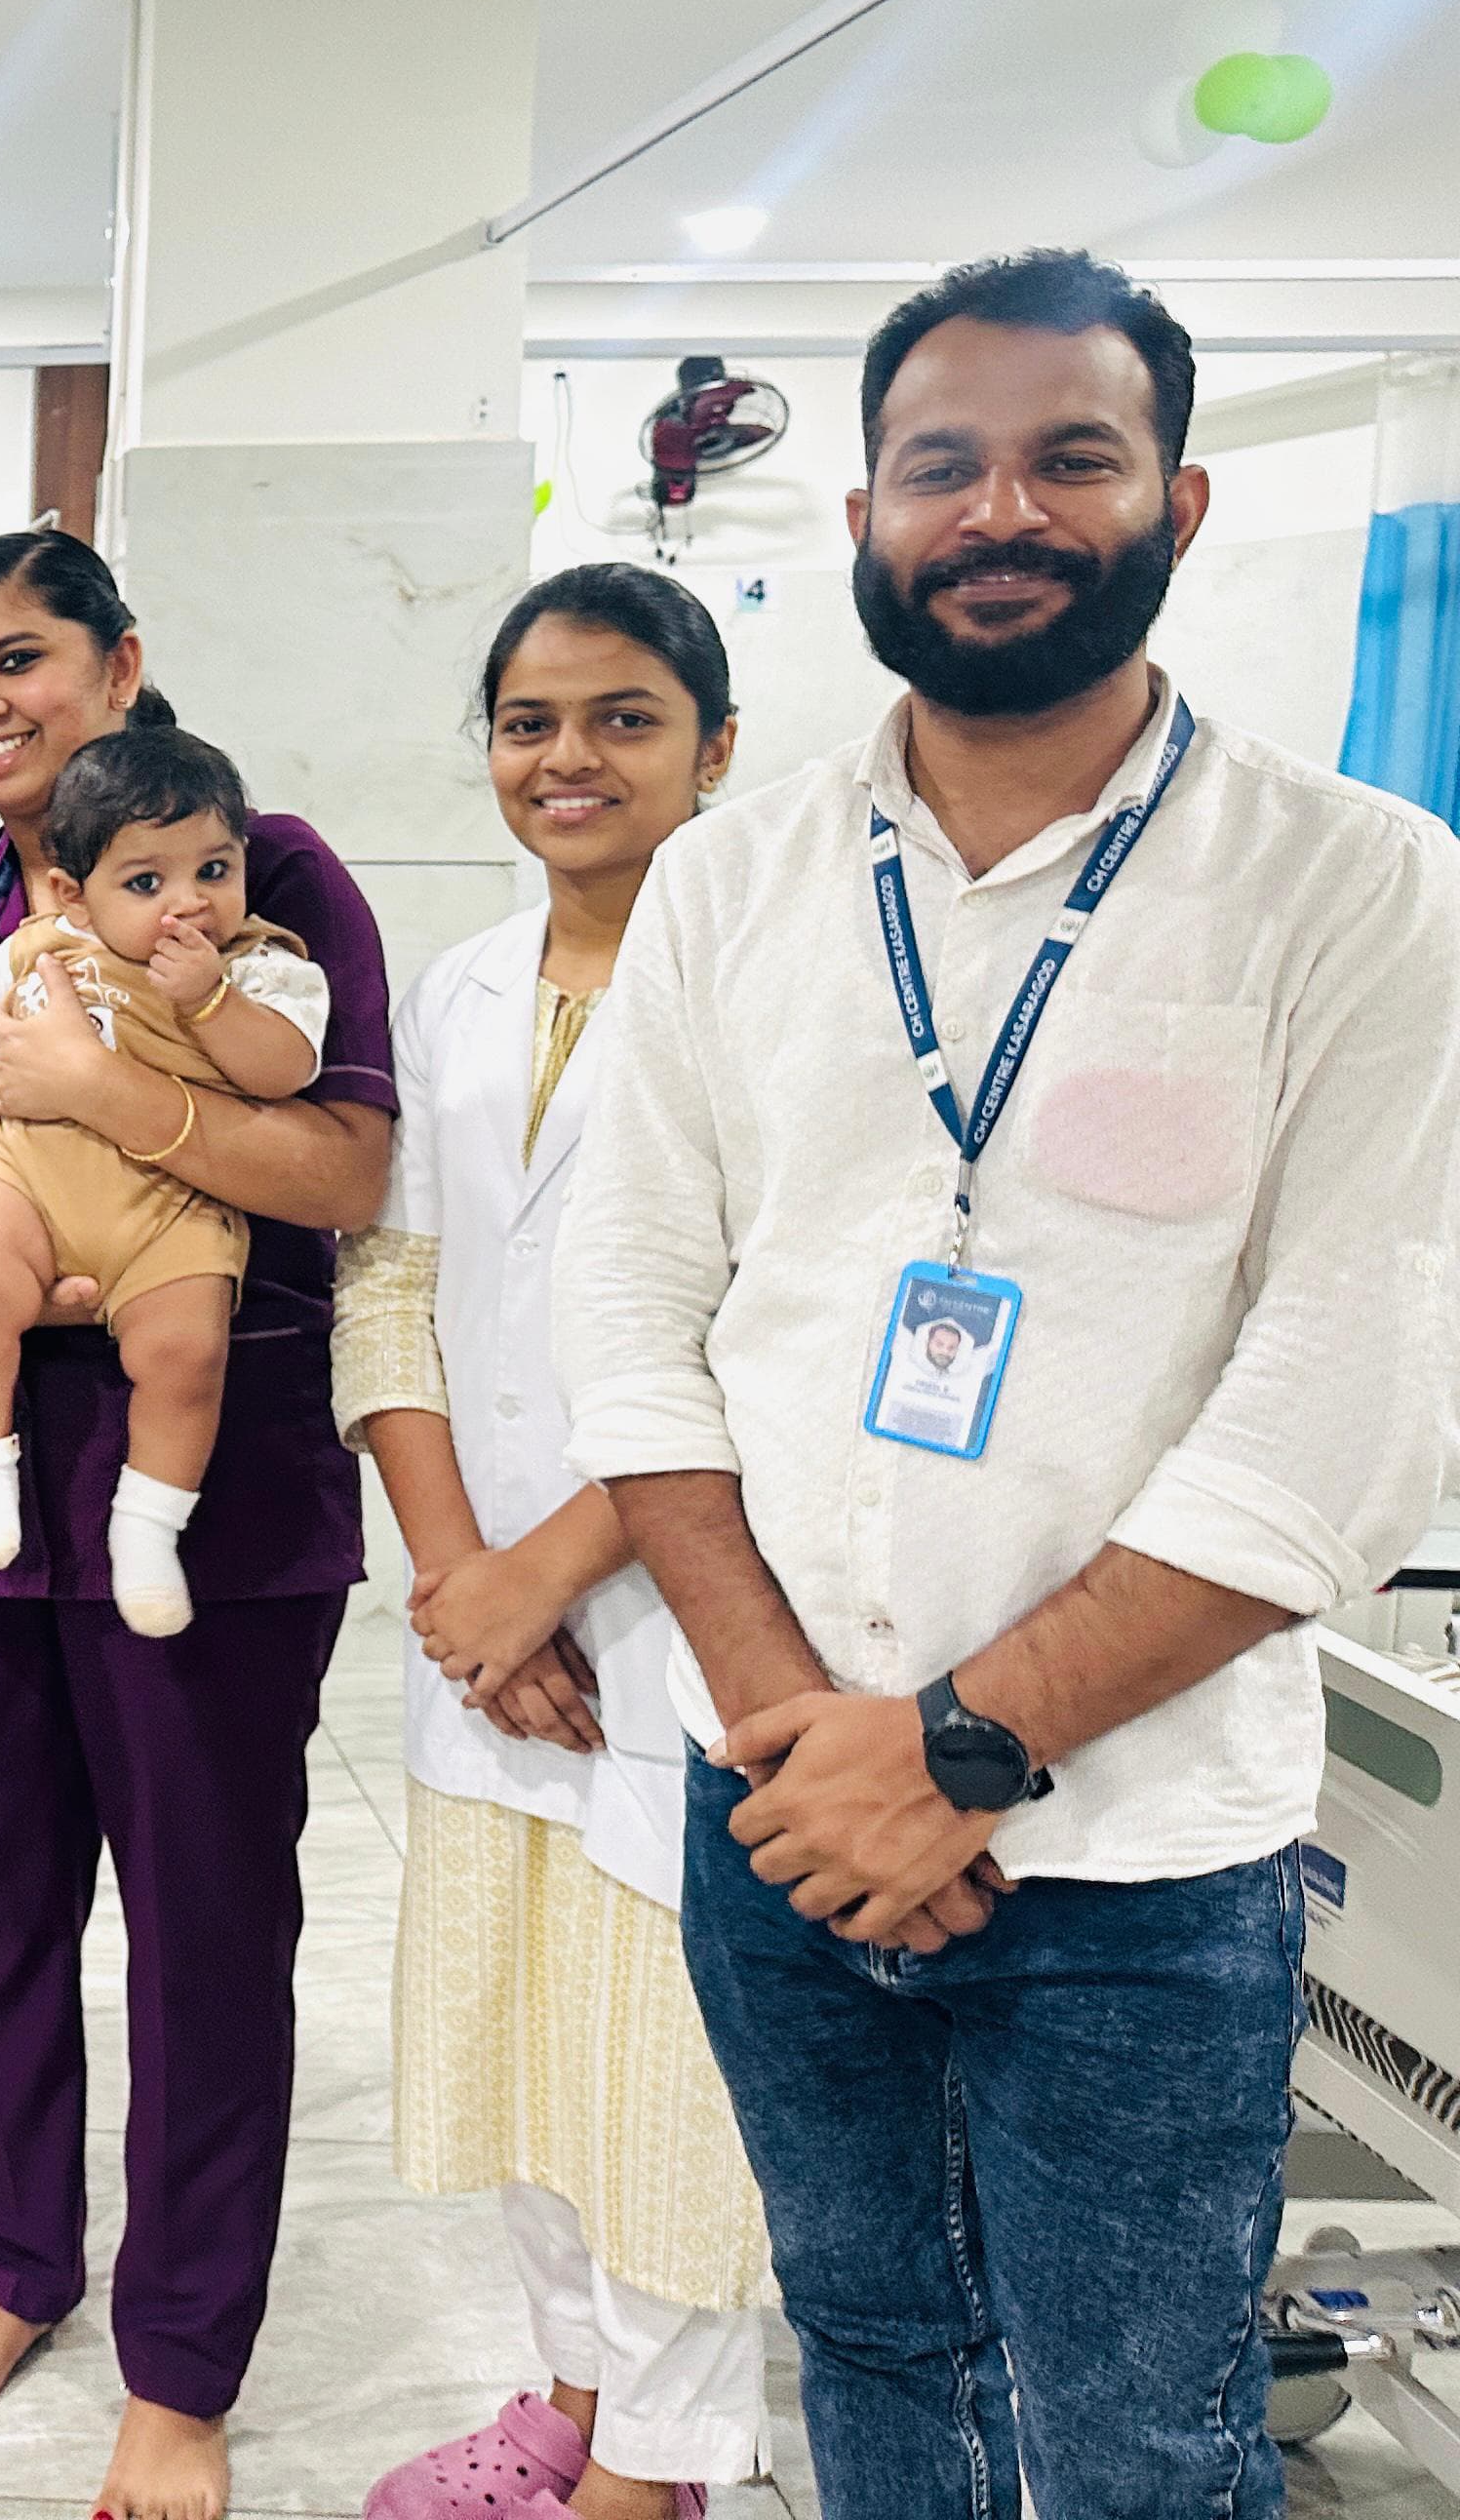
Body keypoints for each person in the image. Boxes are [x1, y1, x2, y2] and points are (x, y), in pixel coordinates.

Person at [561, 251, 1460, 2519]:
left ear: (1181, 503)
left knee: (1144, 2432)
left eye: (1075, 458)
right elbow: (637, 1326)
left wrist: (957, 1751)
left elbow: (1340, 1408)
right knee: (873, 2354)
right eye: (941, 465)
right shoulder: (731, 883)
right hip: (772, 1808)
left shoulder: (1354, 888)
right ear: (867, 512)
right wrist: (801, 1739)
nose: (1001, 511)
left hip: (1142, 1853)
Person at [0, 529, 397, 2520]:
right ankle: (16, 2257)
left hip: (211, 1501)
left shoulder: (257, 865)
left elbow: (346, 1166)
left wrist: (114, 1111)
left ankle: (183, 2361)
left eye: (18, 659)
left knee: (204, 1927)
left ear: (121, 664)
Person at [335, 565, 766, 2520]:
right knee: (512, 2026)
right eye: (529, 721)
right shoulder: (460, 986)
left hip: (673, 1615)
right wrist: (463, 1582)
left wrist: (547, 1576)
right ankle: (573, 2394)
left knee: (658, 2056)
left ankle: (655, 2471)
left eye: (621, 717)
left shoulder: (762, 987)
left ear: (715, 747)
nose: (566, 757)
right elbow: (388, 1287)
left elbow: (757, 1331)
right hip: (479, 1614)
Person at [0, 720, 325, 1637]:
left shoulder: (260, 965)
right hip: (30, 1178)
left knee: (188, 1355)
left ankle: (146, 1529)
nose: (188, 905)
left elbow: (285, 1071)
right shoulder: (39, 948)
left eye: (214, 871)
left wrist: (210, 1002)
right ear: (75, 892)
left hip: (173, 1206)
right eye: (146, 883)